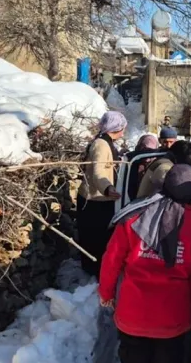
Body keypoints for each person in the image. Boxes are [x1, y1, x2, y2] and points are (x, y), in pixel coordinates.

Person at [99, 165, 191, 363]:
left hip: (132, 314)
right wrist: (190, 309)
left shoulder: (132, 217)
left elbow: (111, 259)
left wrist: (106, 293)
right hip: (173, 317)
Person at [76, 111, 126, 277]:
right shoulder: (101, 145)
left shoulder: (106, 142)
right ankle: (93, 273)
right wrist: (108, 188)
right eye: (122, 128)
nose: (123, 132)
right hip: (95, 199)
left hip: (100, 197)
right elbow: (98, 171)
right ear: (117, 128)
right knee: (95, 238)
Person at [135, 135, 182, 199]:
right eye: (165, 142)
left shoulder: (170, 158)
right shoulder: (135, 160)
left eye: (171, 142)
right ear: (160, 141)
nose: (168, 145)